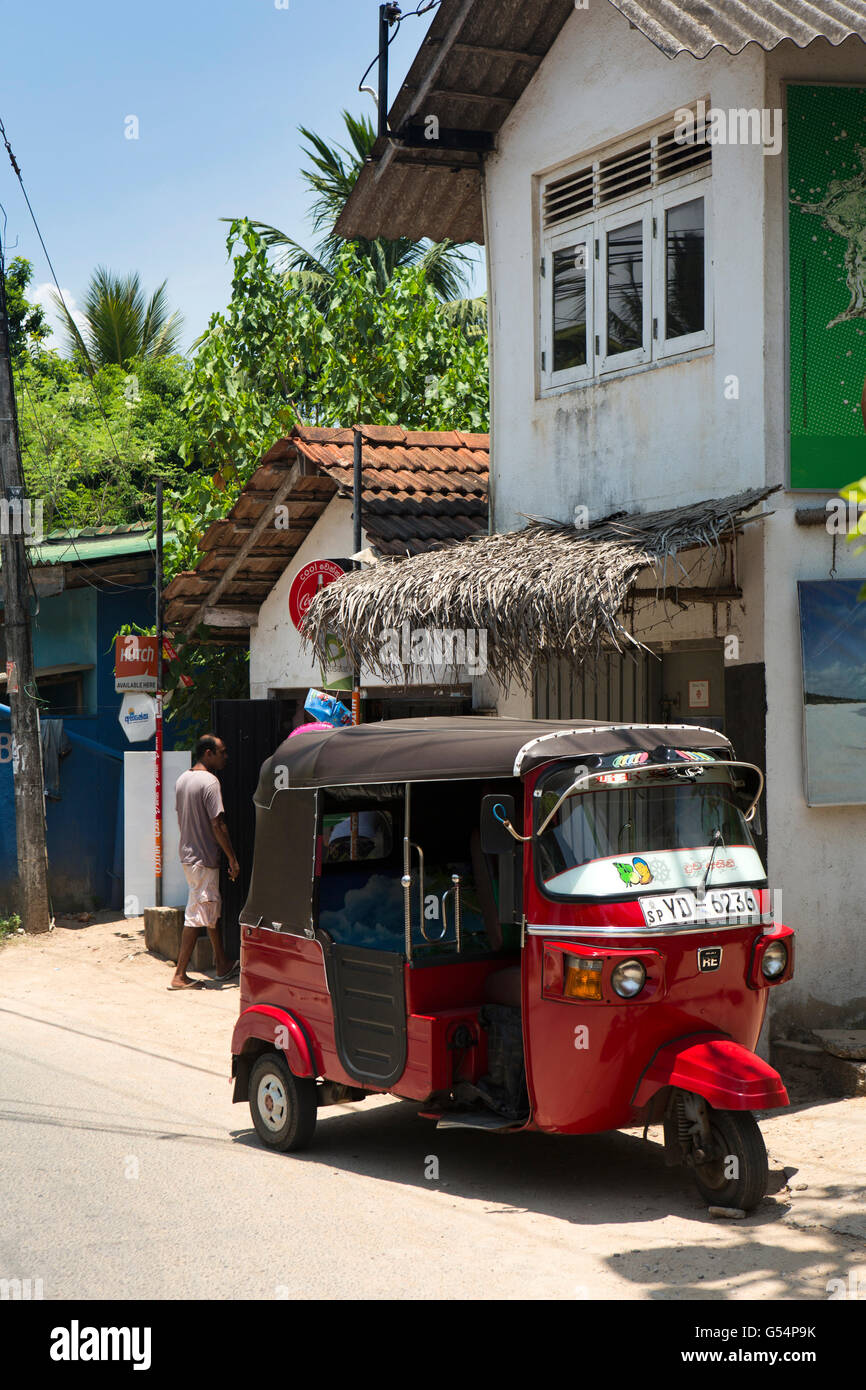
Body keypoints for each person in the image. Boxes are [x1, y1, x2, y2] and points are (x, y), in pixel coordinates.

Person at [170, 733, 240, 990]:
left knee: (208, 909)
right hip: (204, 858)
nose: (225, 757)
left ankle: (221, 962)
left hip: (189, 855)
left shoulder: (183, 780)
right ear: (208, 753)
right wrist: (232, 858)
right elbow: (217, 823)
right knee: (196, 914)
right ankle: (179, 975)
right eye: (222, 752)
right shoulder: (210, 782)